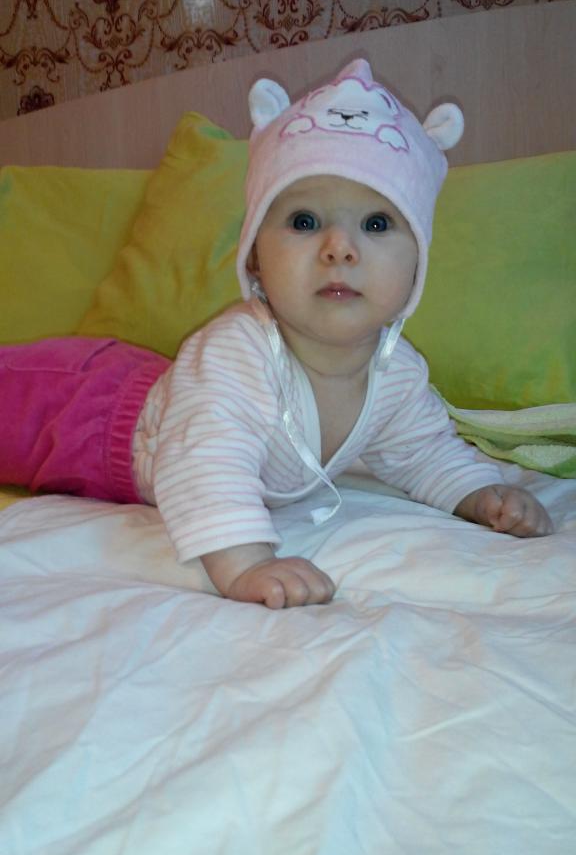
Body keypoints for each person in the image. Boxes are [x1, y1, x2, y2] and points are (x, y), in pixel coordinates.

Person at [0, 60, 552, 609]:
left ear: (417, 264)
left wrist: (483, 496)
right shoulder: (238, 353)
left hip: (156, 387)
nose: (340, 249)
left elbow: (422, 451)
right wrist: (247, 564)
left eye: (377, 224)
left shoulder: (396, 373)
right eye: (305, 222)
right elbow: (206, 461)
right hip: (88, 408)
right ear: (255, 259)